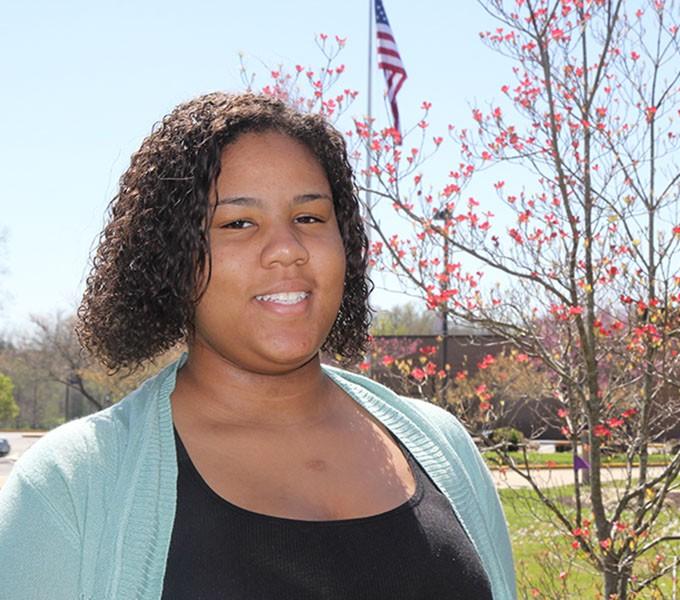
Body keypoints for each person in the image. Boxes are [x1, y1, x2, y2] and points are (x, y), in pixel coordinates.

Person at [0, 92, 516, 599]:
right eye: (238, 223)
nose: (288, 249)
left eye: (310, 217)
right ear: (172, 259)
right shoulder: (73, 486)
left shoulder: (445, 450)